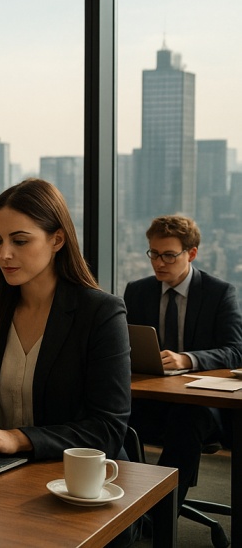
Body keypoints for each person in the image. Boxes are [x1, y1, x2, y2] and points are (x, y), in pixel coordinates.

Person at [0, 179, 131, 460]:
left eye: (20, 241)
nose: (4, 254)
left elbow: (108, 430)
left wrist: (19, 439)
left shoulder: (101, 312)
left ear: (57, 240)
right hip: (1, 472)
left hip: (79, 476)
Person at [124, 215, 242, 508]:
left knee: (186, 419)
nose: (158, 263)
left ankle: (160, 514)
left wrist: (187, 359)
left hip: (201, 403)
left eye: (168, 255)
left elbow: (236, 350)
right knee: (113, 414)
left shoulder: (219, 292)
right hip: (151, 396)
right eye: (153, 253)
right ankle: (128, 502)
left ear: (191, 254)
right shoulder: (138, 291)